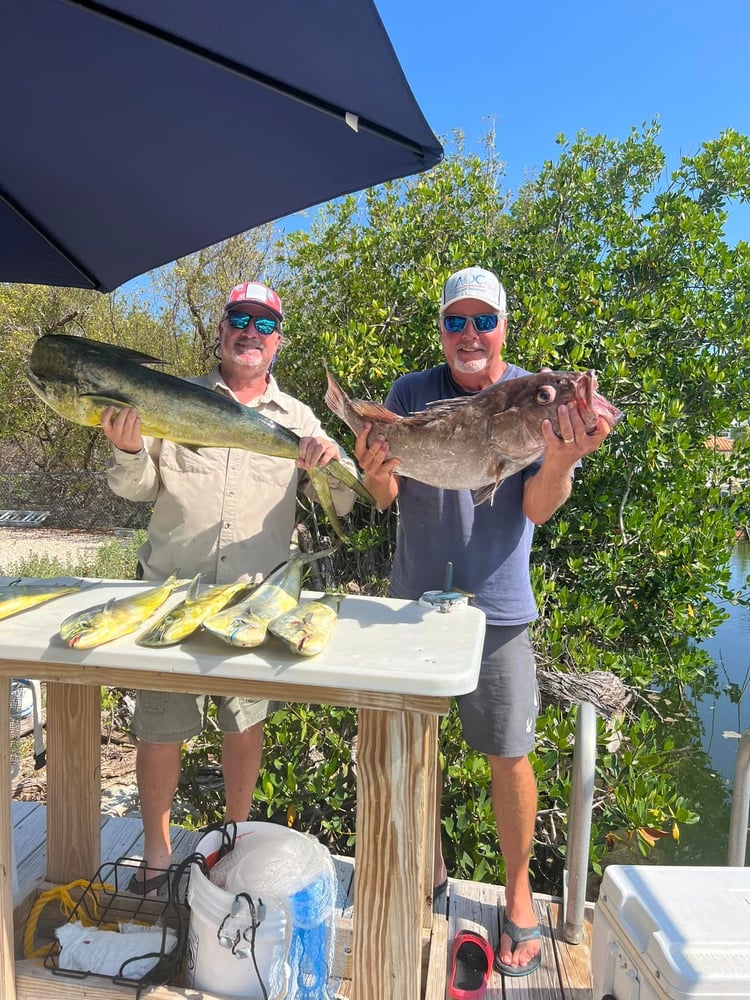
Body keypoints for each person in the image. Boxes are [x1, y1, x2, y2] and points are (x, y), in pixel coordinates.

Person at [354, 266, 614, 977]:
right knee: (414, 744)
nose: (470, 335)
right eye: (456, 322)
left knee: (509, 752)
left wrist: (562, 455)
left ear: (505, 326)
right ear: (442, 328)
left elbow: (535, 507)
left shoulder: (542, 396)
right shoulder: (410, 394)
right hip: (414, 601)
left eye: (483, 321)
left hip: (498, 606)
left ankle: (521, 895)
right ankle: (430, 869)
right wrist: (372, 464)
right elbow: (383, 495)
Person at [102, 280, 356, 894]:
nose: (251, 331)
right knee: (158, 727)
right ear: (220, 330)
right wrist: (129, 448)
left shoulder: (299, 420)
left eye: (264, 324)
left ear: (279, 342)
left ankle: (235, 845)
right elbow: (136, 488)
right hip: (171, 594)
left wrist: (332, 461)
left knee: (243, 726)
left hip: (255, 602)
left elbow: (346, 502)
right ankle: (158, 853)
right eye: (239, 319)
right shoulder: (169, 398)